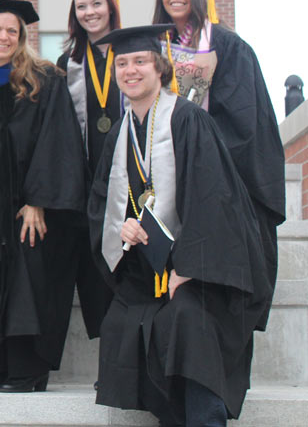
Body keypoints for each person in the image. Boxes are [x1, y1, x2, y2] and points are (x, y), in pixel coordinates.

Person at [89, 24, 270, 426]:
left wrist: (187, 269)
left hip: (204, 273)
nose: (130, 70)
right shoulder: (119, 134)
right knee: (124, 319)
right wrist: (125, 228)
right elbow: (105, 201)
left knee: (189, 319)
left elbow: (215, 200)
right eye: (122, 63)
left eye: (140, 61)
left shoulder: (188, 121)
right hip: (149, 270)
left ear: (159, 68)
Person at [143, 0, 285, 329]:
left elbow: (245, 115)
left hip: (214, 169)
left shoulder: (227, 45)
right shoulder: (151, 47)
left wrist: (205, 152)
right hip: (163, 166)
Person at [0, 0, 86, 392]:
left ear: (22, 37)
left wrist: (38, 200)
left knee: (30, 285)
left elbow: (57, 140)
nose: (3, 37)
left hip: (31, 205)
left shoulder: (44, 79)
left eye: (11, 31)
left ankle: (29, 373)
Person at [53, 0, 122, 343]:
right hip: (87, 180)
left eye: (96, 3)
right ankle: (109, 350)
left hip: (128, 177)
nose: (90, 12)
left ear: (110, 5)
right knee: (93, 267)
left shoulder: (133, 52)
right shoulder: (69, 63)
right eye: (82, 7)